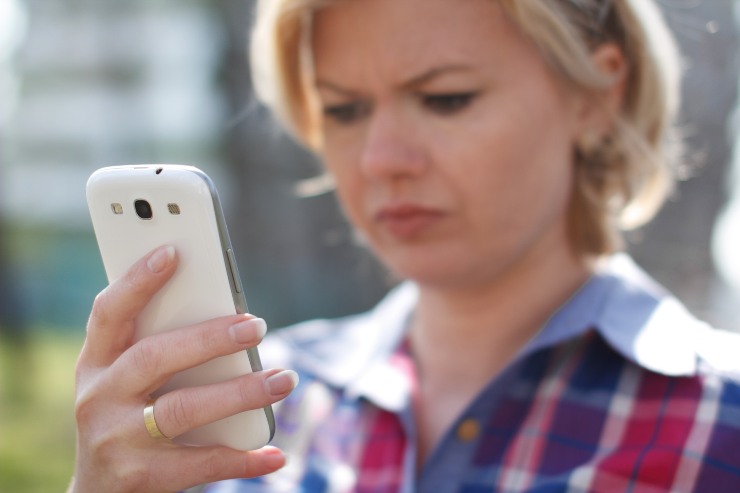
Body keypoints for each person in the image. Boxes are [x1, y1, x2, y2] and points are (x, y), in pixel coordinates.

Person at [68, 0, 740, 492]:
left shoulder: (722, 415)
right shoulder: (255, 402)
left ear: (597, 97)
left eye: (445, 98)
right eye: (345, 110)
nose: (381, 159)